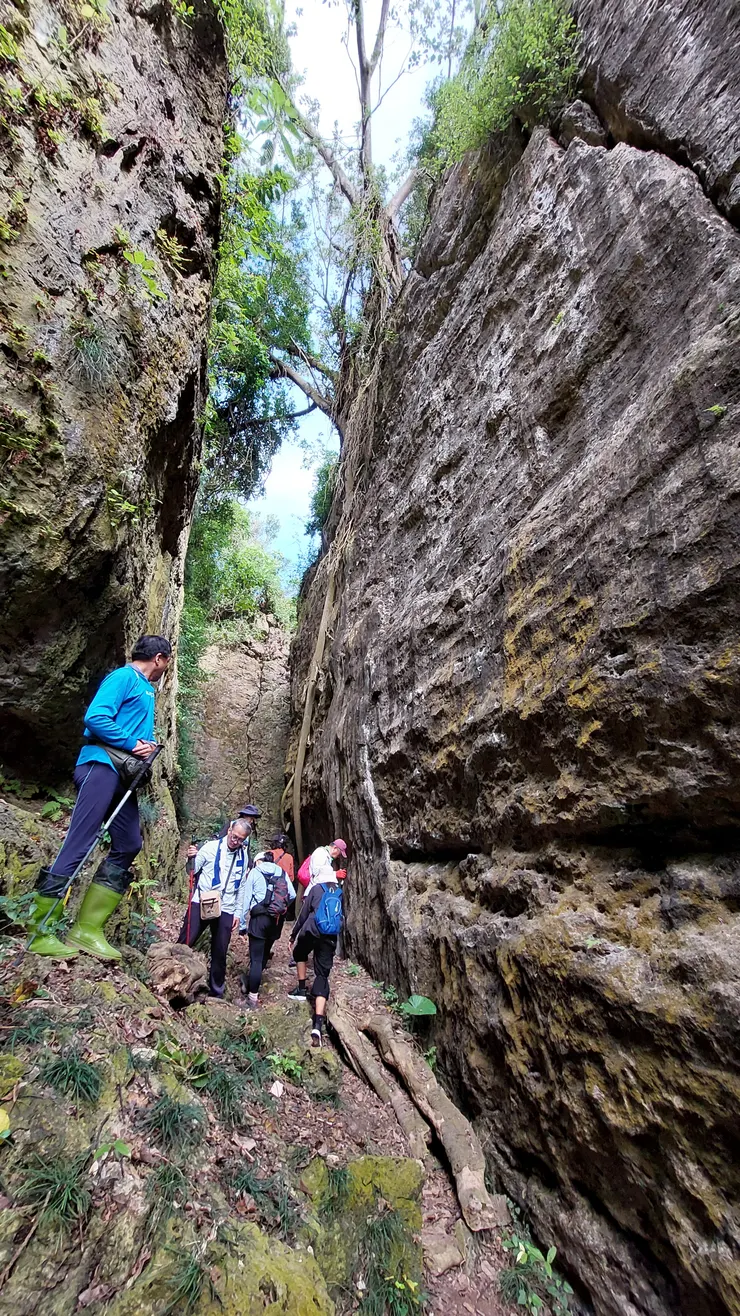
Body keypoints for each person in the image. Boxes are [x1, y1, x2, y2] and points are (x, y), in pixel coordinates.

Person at [28, 635, 172, 961]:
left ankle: (86, 929)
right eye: (168, 662)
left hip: (122, 776)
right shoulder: (124, 677)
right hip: (101, 765)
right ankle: (39, 930)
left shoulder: (145, 689)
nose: (167, 668)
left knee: (129, 842)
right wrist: (134, 743)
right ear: (160, 658)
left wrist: (144, 746)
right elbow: (96, 717)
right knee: (81, 840)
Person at [179, 818, 250, 997]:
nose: (236, 841)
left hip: (226, 907)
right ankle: (172, 970)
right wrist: (191, 858)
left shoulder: (243, 856)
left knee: (220, 950)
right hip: (202, 899)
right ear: (229, 831)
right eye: (235, 837)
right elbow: (192, 871)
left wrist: (238, 914)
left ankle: (216, 991)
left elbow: (241, 886)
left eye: (241, 839)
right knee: (187, 939)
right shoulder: (210, 848)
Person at [287, 847, 347, 1047]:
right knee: (322, 975)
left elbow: (303, 915)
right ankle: (317, 1024)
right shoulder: (338, 892)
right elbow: (341, 917)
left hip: (311, 931)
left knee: (299, 953)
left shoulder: (316, 889)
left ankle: (302, 989)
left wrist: (293, 935)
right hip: (329, 936)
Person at [236, 851, 295, 1008]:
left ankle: (252, 1000)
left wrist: (242, 925)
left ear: (259, 861)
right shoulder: (281, 872)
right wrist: (280, 909)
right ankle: (249, 983)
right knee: (263, 956)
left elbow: (246, 899)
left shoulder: (255, 872)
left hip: (259, 919)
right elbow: (293, 894)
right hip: (276, 920)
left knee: (256, 959)